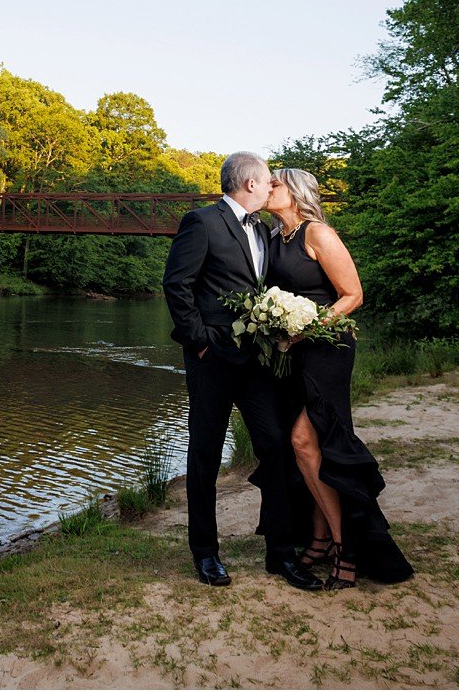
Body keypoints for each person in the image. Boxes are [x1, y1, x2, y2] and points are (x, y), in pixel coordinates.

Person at [162, 152, 323, 591]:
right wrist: (198, 343)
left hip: (256, 361)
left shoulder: (266, 232)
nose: (272, 186)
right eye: (268, 180)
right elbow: (177, 284)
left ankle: (281, 553)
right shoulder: (202, 221)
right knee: (205, 455)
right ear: (251, 184)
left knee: (275, 446)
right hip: (211, 361)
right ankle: (206, 553)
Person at [263, 167, 414, 589]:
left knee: (304, 440)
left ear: (295, 192)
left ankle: (346, 545)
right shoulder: (275, 238)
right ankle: (320, 535)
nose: (267, 188)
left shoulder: (318, 234)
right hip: (290, 353)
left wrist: (304, 329)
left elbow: (353, 295)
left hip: (327, 348)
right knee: (314, 450)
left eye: (274, 183)